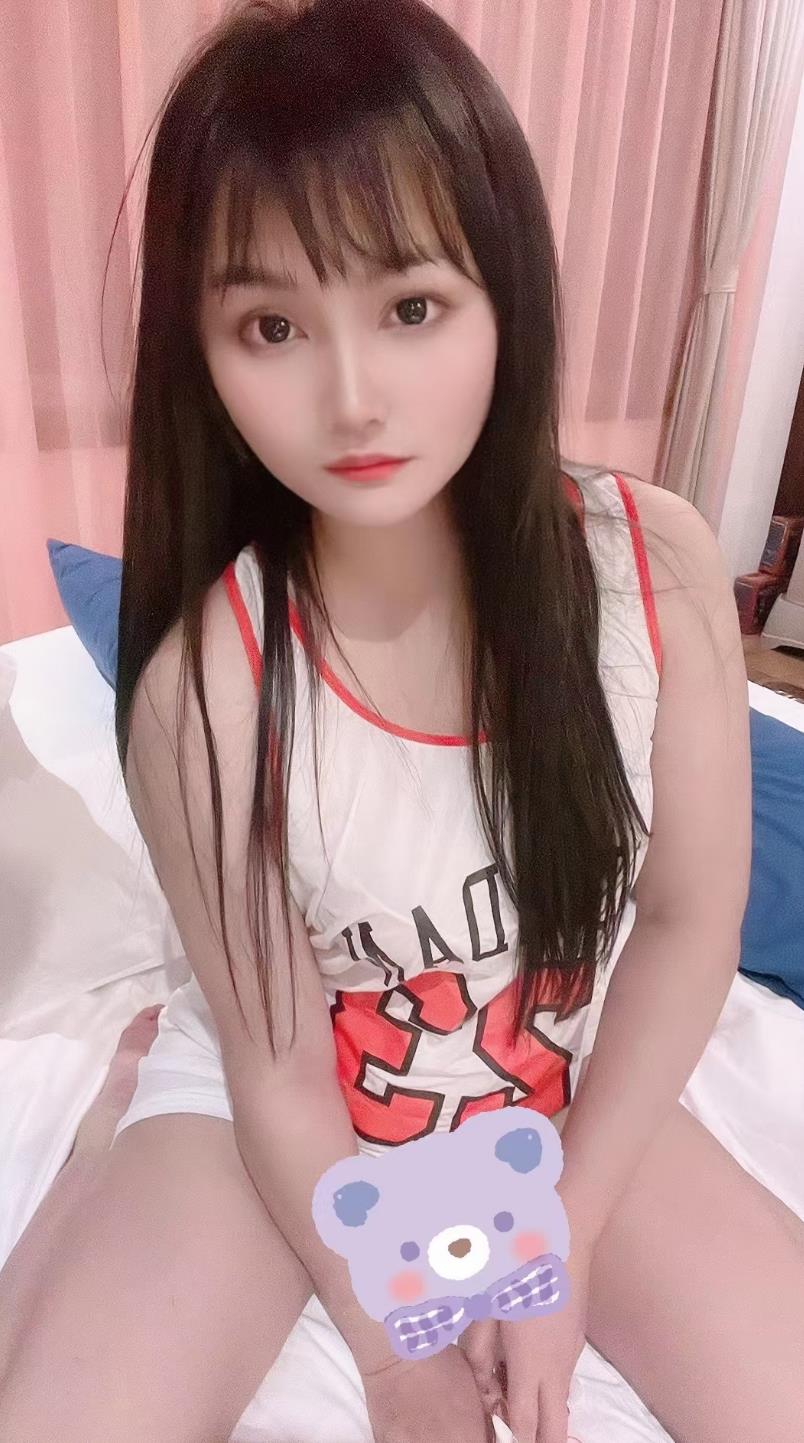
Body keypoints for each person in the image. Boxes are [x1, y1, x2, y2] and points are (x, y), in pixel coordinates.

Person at [1, 1, 803, 1440]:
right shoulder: (207, 685)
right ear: (204, 351)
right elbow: (277, 1067)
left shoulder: (652, 566)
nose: (353, 396)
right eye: (272, 327)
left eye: (411, 308)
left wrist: (557, 1236)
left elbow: (690, 919)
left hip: (548, 1095)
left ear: (505, 293)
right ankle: (106, 1134)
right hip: (284, 1118)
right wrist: (390, 1344)